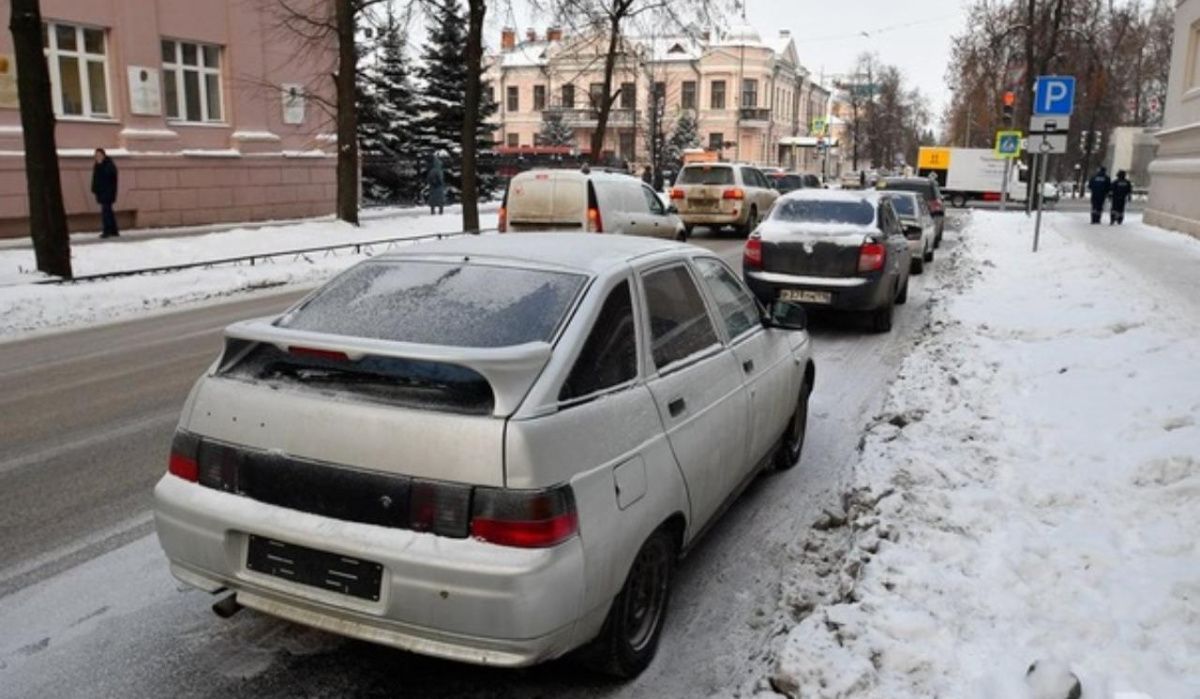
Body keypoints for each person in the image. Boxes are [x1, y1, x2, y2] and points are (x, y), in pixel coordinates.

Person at [91, 148, 119, 238]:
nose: (98, 157)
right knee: (108, 211)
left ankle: (107, 230)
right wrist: (94, 188)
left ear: (103, 155)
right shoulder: (97, 165)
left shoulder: (108, 165)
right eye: (96, 156)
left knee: (105, 211)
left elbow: (110, 177)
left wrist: (101, 166)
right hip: (101, 192)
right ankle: (114, 230)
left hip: (108, 192)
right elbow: (95, 178)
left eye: (99, 155)